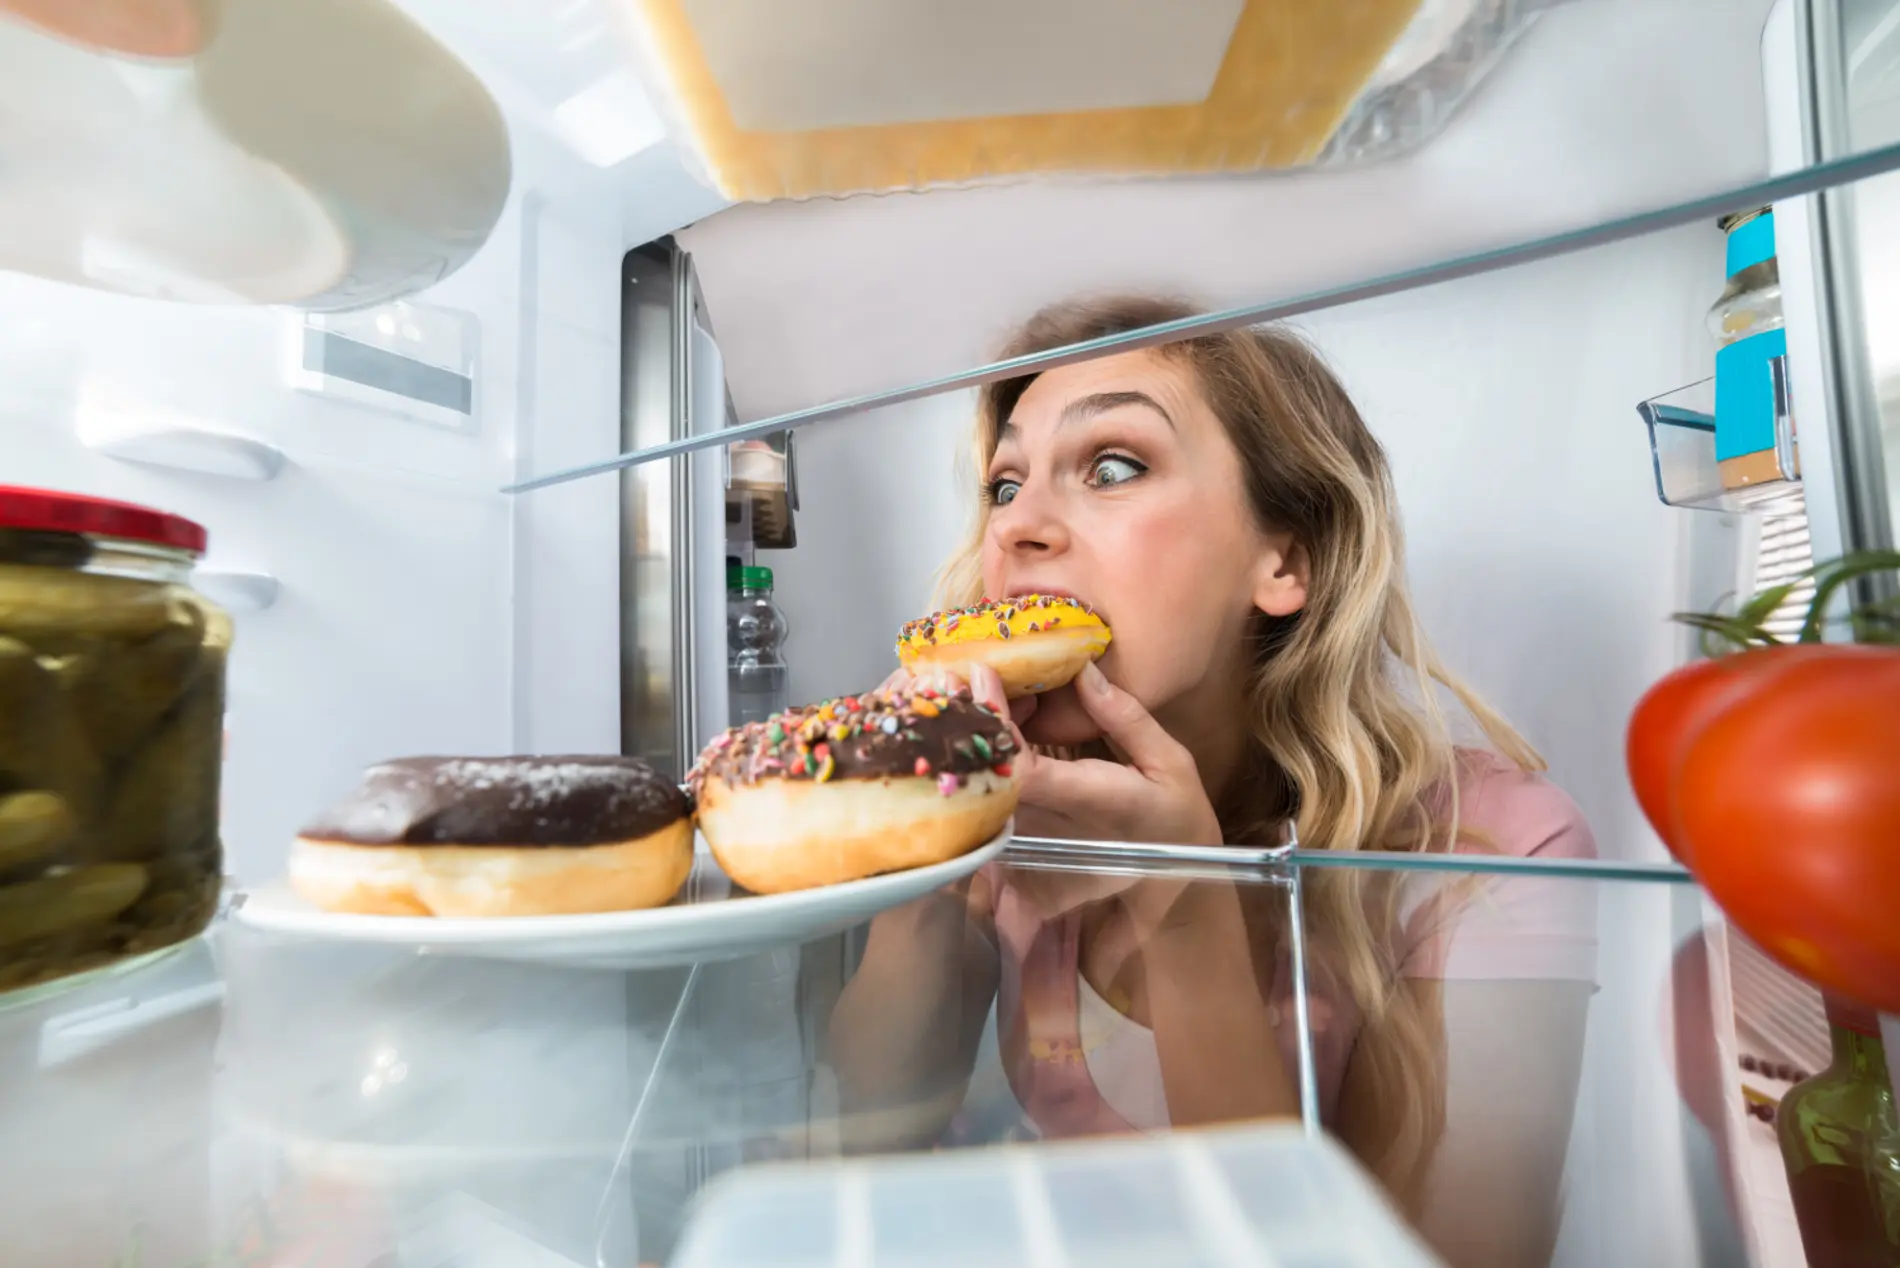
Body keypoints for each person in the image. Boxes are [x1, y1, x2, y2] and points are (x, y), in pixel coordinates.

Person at [827, 297, 1599, 1268]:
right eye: (1004, 482)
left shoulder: (1499, 847)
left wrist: (1184, 902)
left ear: (1285, 559)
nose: (1016, 526)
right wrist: (926, 860)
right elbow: (858, 1143)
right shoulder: (1027, 802)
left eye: (1113, 465)